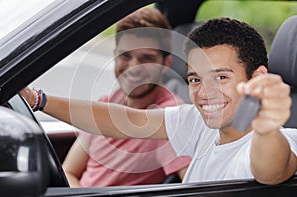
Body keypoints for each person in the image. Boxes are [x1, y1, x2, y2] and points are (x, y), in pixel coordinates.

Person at [21, 17, 297, 185]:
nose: (204, 93)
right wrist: (38, 99)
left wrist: (266, 127)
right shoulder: (200, 124)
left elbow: (270, 172)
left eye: (221, 77)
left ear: (257, 77)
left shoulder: (283, 140)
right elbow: (125, 121)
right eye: (195, 79)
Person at [33, 7, 191, 187]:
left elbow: (198, 188)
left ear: (166, 64)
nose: (134, 67)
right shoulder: (107, 103)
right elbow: (69, 170)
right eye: (126, 56)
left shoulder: (170, 119)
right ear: (115, 55)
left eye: (146, 58)